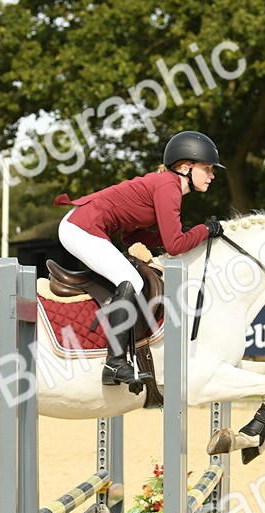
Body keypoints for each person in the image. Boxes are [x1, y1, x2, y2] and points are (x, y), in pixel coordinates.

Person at [54, 130, 225, 387]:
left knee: (130, 277)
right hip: (81, 227)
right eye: (208, 169)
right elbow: (175, 245)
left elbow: (133, 237)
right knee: (131, 279)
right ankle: (115, 363)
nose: (212, 176)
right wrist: (205, 230)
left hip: (82, 226)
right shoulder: (168, 187)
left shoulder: (165, 184)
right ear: (185, 167)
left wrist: (190, 234)